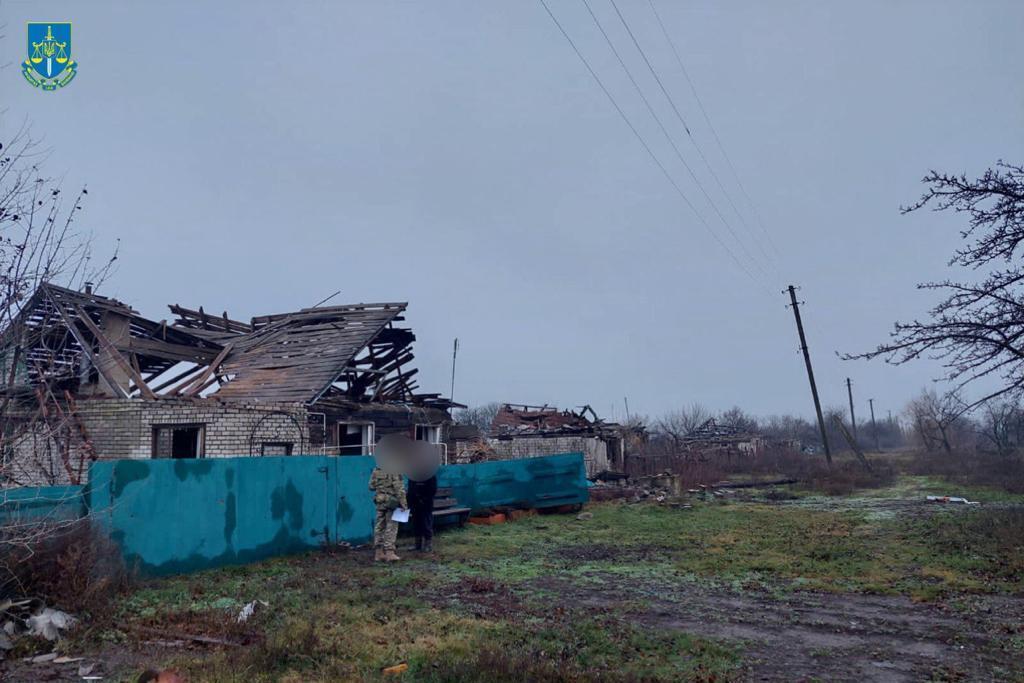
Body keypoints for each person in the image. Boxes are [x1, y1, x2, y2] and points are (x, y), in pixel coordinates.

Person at [369, 466, 407, 562]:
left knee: (379, 526)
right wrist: (404, 504)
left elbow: (371, 486)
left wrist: (381, 487)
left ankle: (378, 553)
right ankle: (390, 553)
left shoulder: (376, 469)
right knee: (392, 526)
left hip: (379, 500)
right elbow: (399, 488)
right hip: (391, 502)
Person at [407, 474, 437, 552]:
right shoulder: (413, 476)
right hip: (415, 504)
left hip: (426, 504)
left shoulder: (430, 475)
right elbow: (410, 490)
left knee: (426, 524)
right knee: (416, 524)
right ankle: (417, 545)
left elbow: (433, 490)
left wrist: (423, 498)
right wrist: (410, 501)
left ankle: (428, 545)